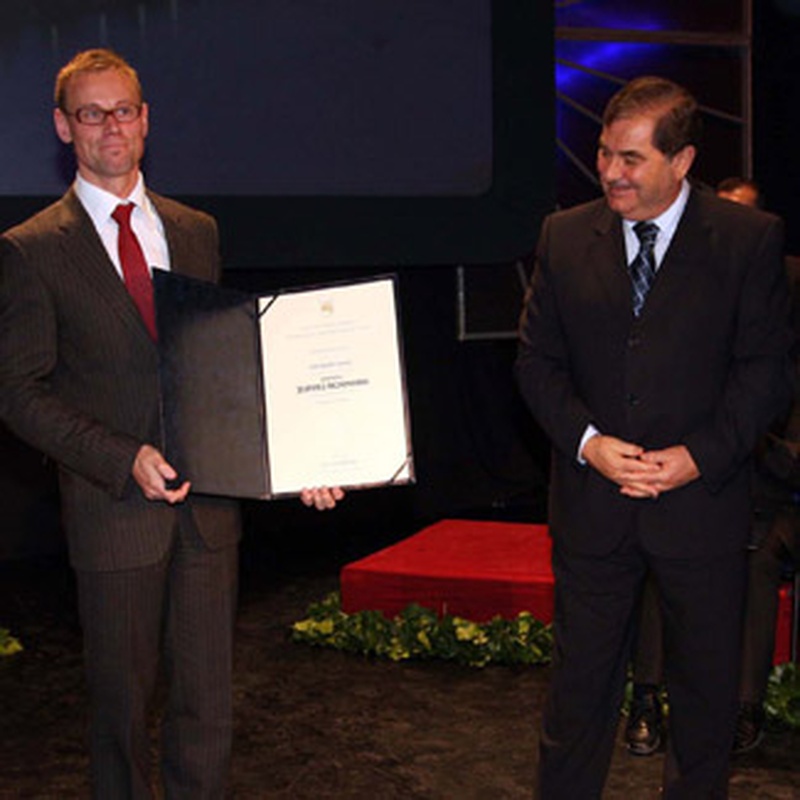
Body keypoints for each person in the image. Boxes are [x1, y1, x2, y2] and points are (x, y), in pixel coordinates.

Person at [0, 47, 341, 799]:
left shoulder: (195, 231)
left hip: (209, 514)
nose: (111, 128)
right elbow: (18, 393)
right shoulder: (30, 250)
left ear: (146, 119)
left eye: (123, 110)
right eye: (91, 114)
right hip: (114, 512)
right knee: (120, 715)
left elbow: (223, 372)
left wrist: (304, 456)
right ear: (63, 126)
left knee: (207, 710)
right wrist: (123, 456)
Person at [515, 76, 791, 798]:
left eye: (632, 159)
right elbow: (536, 363)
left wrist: (698, 457)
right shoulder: (564, 236)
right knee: (577, 699)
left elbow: (766, 373)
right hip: (593, 509)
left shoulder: (748, 240)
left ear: (683, 160)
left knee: (704, 705)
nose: (611, 172)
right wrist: (589, 443)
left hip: (702, 508)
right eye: (605, 153)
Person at [624, 174, 766, 758]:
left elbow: (772, 380)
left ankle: (743, 706)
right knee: (654, 546)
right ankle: (645, 698)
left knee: (752, 557)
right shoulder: (667, 278)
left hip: (760, 474)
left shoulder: (780, 279)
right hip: (675, 467)